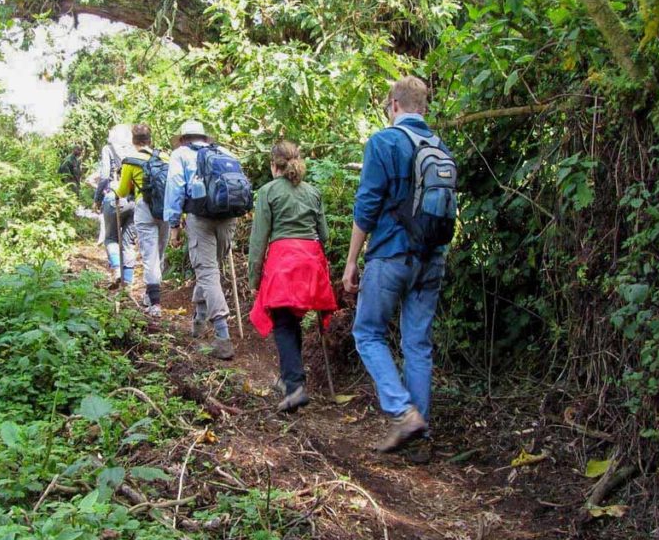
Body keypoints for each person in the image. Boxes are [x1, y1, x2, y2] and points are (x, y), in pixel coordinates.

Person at [342, 76, 454, 454]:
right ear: (423, 107)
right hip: (432, 258)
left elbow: (367, 205)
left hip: (390, 255)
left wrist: (352, 260)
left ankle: (402, 412)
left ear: (393, 105)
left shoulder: (384, 141)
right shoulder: (440, 147)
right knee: (418, 344)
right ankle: (421, 435)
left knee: (368, 332)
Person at [248, 142, 337, 412]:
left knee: (283, 322)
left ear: (274, 165)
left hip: (284, 262)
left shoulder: (268, 192)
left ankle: (295, 386)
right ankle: (291, 379)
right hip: (311, 262)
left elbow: (258, 239)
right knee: (291, 319)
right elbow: (324, 235)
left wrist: (254, 278)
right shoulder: (313, 192)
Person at [163, 120, 250, 360]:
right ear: (204, 137)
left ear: (183, 138)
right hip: (228, 218)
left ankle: (222, 338)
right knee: (210, 271)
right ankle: (199, 322)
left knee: (208, 273)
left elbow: (175, 188)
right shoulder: (224, 152)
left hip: (200, 218)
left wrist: (174, 225)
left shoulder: (180, 154)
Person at [116, 123, 170, 318]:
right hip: (165, 209)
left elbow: (122, 191)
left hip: (144, 208)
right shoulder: (165, 157)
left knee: (149, 255)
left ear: (133, 141)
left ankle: (155, 304)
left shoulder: (130, 161)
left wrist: (114, 189)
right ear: (150, 139)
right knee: (160, 253)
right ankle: (150, 295)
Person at [98, 124, 138, 284]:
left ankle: (116, 270)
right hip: (134, 199)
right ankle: (128, 281)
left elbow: (104, 176)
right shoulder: (135, 150)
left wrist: (97, 199)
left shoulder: (108, 149)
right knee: (128, 242)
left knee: (111, 238)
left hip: (114, 197)